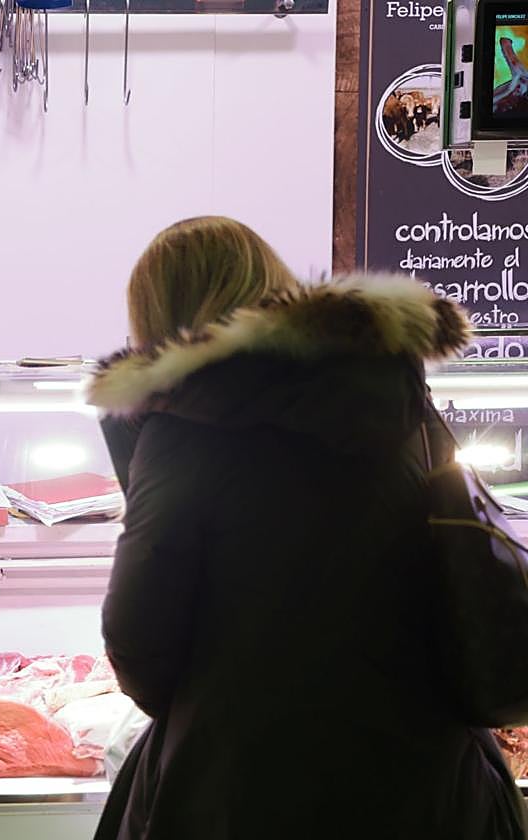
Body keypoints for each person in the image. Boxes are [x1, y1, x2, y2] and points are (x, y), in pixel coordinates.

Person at [86, 216, 528, 840]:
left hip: (244, 788)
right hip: (425, 780)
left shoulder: (182, 431)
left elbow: (139, 639)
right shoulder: (396, 392)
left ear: (161, 322)